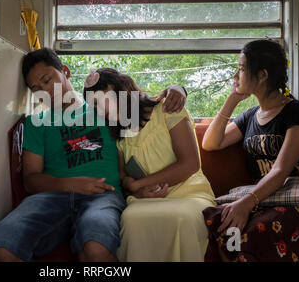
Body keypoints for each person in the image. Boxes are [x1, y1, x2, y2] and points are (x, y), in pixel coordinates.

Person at [0, 48, 188, 262]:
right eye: (35, 89)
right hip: (51, 199)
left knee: (96, 248)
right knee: (3, 246)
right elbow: (30, 180)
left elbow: (142, 101)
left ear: (65, 72)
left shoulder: (103, 108)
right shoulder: (37, 123)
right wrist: (71, 184)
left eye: (47, 80)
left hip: (102, 197)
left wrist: (177, 88)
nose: (44, 91)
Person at [83, 68, 216, 262]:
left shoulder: (166, 109)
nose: (102, 109)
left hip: (189, 194)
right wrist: (136, 190)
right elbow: (122, 179)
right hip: (145, 200)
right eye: (95, 105)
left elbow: (190, 164)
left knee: (181, 219)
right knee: (130, 220)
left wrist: (139, 184)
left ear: (123, 90)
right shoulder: (118, 137)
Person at [201, 39, 299, 262]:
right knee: (219, 223)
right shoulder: (251, 115)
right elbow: (211, 143)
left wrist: (246, 203)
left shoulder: (296, 113)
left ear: (262, 75)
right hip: (264, 199)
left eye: (241, 69)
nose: (235, 76)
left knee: (255, 231)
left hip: (295, 200)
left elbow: (280, 171)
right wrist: (232, 99)